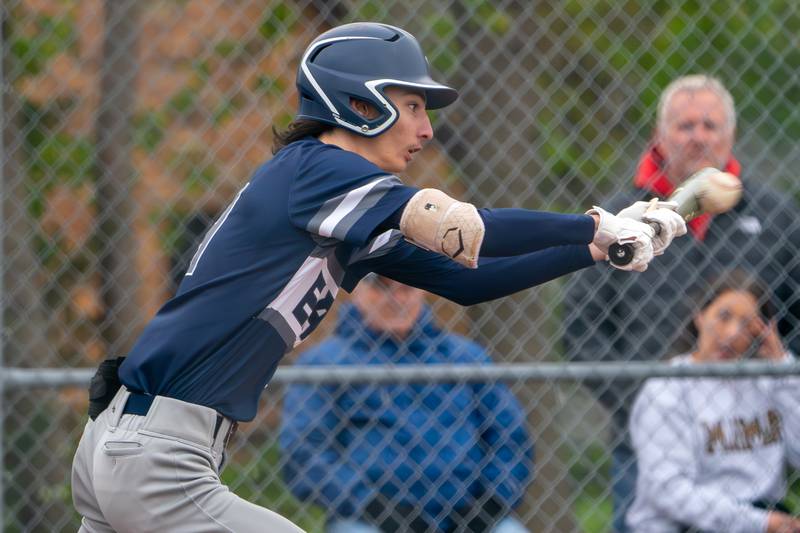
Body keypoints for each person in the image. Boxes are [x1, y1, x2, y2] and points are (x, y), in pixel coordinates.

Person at [71, 22, 685, 532]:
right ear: (360, 104)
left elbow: (469, 281)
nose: (427, 129)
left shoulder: (337, 207)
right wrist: (593, 225)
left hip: (128, 441)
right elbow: (470, 229)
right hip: (156, 456)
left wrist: (600, 251)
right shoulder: (322, 169)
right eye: (413, 106)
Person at [562, 74, 800, 533]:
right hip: (649, 438)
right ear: (660, 135)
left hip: (749, 436)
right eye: (685, 125)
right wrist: (643, 402)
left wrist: (771, 387)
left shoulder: (775, 217)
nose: (698, 136)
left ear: (729, 136)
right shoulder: (620, 219)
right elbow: (581, 329)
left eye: (710, 125)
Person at [280, 274, 533, 533]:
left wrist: (490, 505)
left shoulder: (465, 357)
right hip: (370, 520)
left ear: (422, 292)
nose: (396, 299)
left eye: (407, 288)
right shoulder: (324, 364)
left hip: (469, 517)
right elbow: (305, 453)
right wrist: (372, 507)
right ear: (357, 290)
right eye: (382, 287)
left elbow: (510, 439)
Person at [627, 271, 800, 533]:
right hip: (686, 524)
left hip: (763, 510)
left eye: (747, 323)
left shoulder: (768, 381)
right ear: (699, 316)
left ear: (762, 330)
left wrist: (783, 369)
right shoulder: (668, 389)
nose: (732, 333)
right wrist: (758, 523)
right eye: (723, 317)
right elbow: (670, 491)